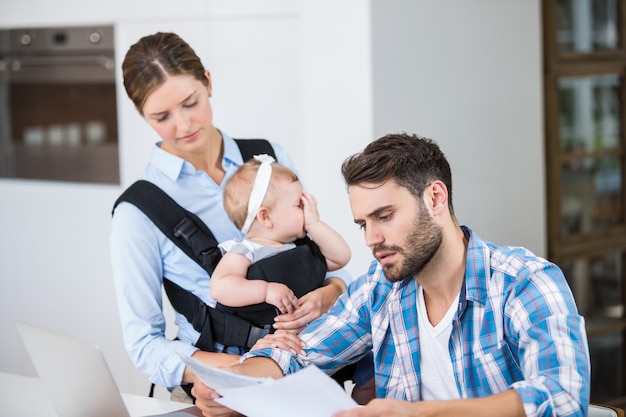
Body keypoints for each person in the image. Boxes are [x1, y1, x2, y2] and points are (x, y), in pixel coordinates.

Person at [192, 133, 591, 417]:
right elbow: (296, 352)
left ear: (435, 198)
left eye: (384, 216)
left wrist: (421, 414)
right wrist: (233, 385)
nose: (372, 239)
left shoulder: (525, 283)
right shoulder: (380, 289)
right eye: (362, 224)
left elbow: (561, 397)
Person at [109, 32, 349, 402]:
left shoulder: (270, 159)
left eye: (191, 102)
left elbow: (324, 257)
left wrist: (331, 293)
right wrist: (238, 373)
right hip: (218, 386)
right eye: (161, 116)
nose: (183, 125)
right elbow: (144, 344)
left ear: (208, 81)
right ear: (142, 115)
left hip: (312, 365)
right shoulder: (138, 211)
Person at [210, 155, 351, 346]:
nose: (307, 209)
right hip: (269, 345)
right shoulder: (244, 250)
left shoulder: (300, 247)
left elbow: (341, 257)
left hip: (316, 340)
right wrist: (266, 290)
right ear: (266, 217)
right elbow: (220, 287)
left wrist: (314, 223)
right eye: (299, 204)